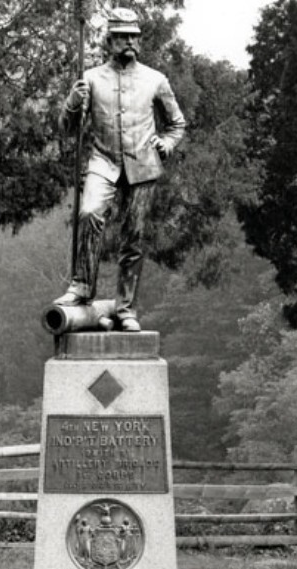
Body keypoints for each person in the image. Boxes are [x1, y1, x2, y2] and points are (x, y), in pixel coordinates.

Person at [56, 7, 185, 331]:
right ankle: (82, 286)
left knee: (134, 238)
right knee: (88, 213)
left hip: (142, 164)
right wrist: (73, 100)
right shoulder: (91, 78)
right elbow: (67, 127)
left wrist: (167, 144)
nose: (129, 42)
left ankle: (125, 308)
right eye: (122, 36)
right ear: (109, 40)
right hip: (103, 161)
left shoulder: (156, 79)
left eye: (133, 36)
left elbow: (176, 123)